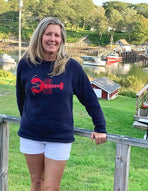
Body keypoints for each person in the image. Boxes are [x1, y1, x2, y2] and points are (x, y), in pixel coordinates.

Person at [16, 17, 107, 191]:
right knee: (36, 181)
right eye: (48, 34)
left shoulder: (71, 67)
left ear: (62, 40)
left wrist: (100, 127)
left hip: (59, 137)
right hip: (31, 134)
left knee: (51, 188)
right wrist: (27, 119)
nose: (53, 39)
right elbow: (21, 98)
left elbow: (89, 98)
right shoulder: (26, 64)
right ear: (39, 36)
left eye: (57, 35)